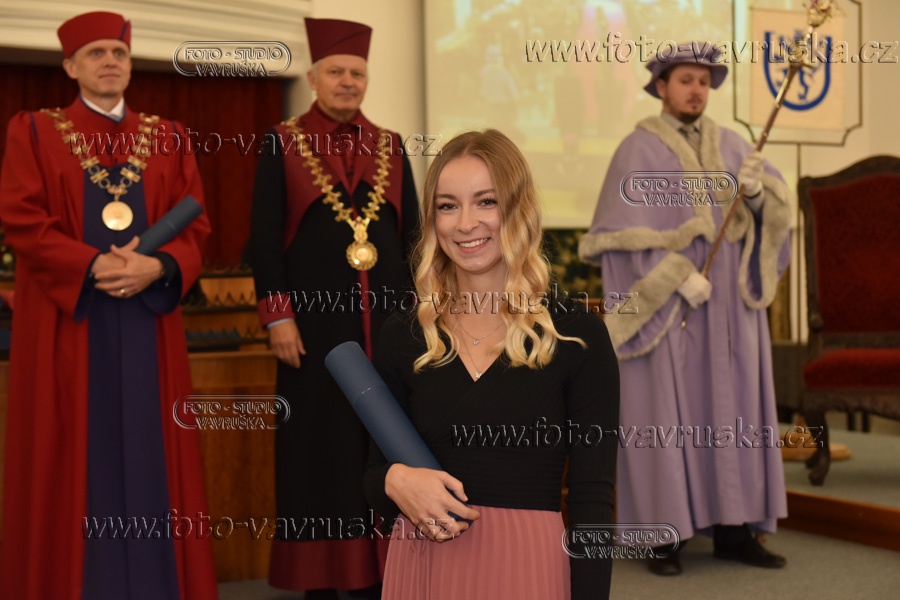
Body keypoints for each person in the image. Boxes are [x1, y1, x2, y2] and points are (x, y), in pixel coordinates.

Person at [0, 11, 217, 599]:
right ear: (70, 66)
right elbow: (21, 218)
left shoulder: (169, 136)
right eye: (96, 53)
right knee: (71, 456)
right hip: (70, 324)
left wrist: (159, 265)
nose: (110, 62)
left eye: (119, 53)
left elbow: (194, 227)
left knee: (152, 457)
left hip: (148, 322)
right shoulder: (34, 132)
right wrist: (91, 265)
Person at [363, 129, 619, 600]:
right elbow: (370, 475)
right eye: (447, 206)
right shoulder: (404, 334)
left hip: (528, 566)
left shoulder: (577, 337)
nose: (465, 223)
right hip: (424, 566)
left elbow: (592, 500)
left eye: (486, 201)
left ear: (518, 209)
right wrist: (393, 480)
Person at [579, 42, 792, 575]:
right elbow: (618, 242)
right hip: (670, 313)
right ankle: (663, 538)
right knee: (666, 417)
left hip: (731, 312)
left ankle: (736, 530)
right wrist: (676, 276)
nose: (696, 90)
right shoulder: (636, 152)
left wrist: (758, 195)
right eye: (685, 80)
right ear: (661, 86)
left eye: (703, 81)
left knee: (736, 411)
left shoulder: (736, 145)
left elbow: (773, 222)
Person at [248, 17, 420, 599]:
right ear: (313, 78)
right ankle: (320, 582)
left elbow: (414, 238)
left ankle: (382, 576)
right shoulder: (281, 142)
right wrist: (278, 316)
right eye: (337, 72)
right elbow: (264, 239)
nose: (348, 82)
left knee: (383, 448)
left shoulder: (392, 145)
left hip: (389, 331)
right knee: (318, 453)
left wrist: (420, 318)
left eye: (358, 73)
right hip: (312, 335)